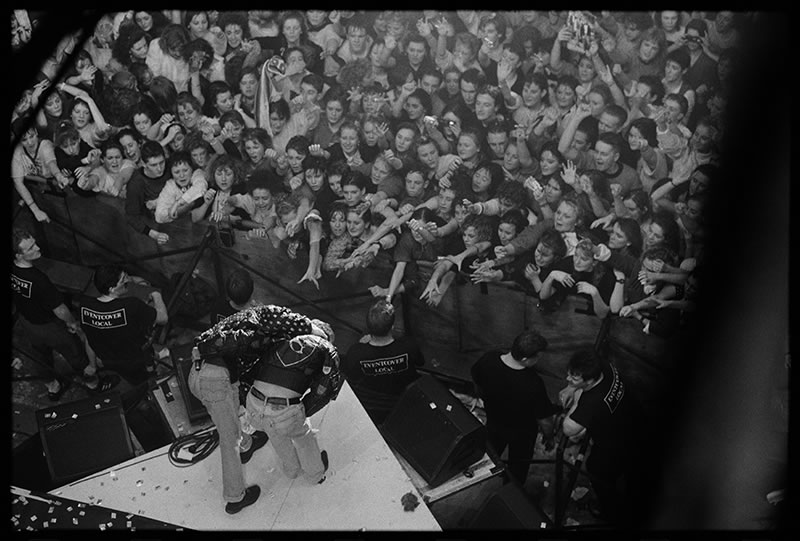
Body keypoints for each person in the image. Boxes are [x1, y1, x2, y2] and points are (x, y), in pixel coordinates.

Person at [190, 304, 333, 513]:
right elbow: (280, 317)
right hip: (214, 378)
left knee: (233, 424)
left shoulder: (249, 322)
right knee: (229, 439)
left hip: (202, 372)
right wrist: (311, 329)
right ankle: (235, 496)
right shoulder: (264, 319)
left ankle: (248, 446)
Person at [12, 228, 119, 401]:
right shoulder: (38, 279)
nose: (37, 248)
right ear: (18, 255)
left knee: (41, 358)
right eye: (30, 248)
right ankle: (93, 384)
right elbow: (60, 309)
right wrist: (72, 324)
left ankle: (53, 387)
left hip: (28, 323)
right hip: (50, 327)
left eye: (34, 243)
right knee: (77, 354)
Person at [245, 331, 342, 485]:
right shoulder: (323, 351)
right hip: (281, 413)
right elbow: (322, 393)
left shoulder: (282, 344)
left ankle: (292, 470)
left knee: (275, 433)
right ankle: (315, 475)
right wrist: (303, 411)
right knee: (303, 436)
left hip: (253, 406)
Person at [560, 349, 642, 525]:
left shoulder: (593, 402)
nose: (568, 379)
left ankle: (612, 512)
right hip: (634, 419)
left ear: (589, 381)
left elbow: (568, 428)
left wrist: (575, 400)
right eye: (569, 374)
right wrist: (572, 387)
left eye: (574, 378)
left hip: (616, 442)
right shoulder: (601, 366)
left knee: (598, 470)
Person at [471, 330, 558, 485]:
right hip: (522, 434)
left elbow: (476, 380)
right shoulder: (533, 384)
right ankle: (514, 494)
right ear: (525, 359)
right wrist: (549, 436)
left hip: (494, 423)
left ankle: (482, 485)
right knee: (518, 469)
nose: (539, 360)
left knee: (489, 459)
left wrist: (483, 398)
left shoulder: (488, 359)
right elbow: (545, 420)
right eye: (537, 357)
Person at [79, 265, 168, 391]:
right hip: (135, 357)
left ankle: (145, 381)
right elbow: (163, 318)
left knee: (132, 376)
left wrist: (92, 364)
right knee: (145, 376)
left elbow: (89, 338)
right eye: (122, 280)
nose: (126, 281)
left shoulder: (85, 307)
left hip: (108, 359)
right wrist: (156, 294)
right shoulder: (131, 305)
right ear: (112, 289)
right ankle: (151, 388)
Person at [342, 299, 425, 426]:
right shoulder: (408, 347)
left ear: (369, 328)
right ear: (392, 326)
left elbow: (351, 374)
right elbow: (421, 362)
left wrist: (360, 346)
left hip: (371, 407)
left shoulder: (356, 352)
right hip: (402, 402)